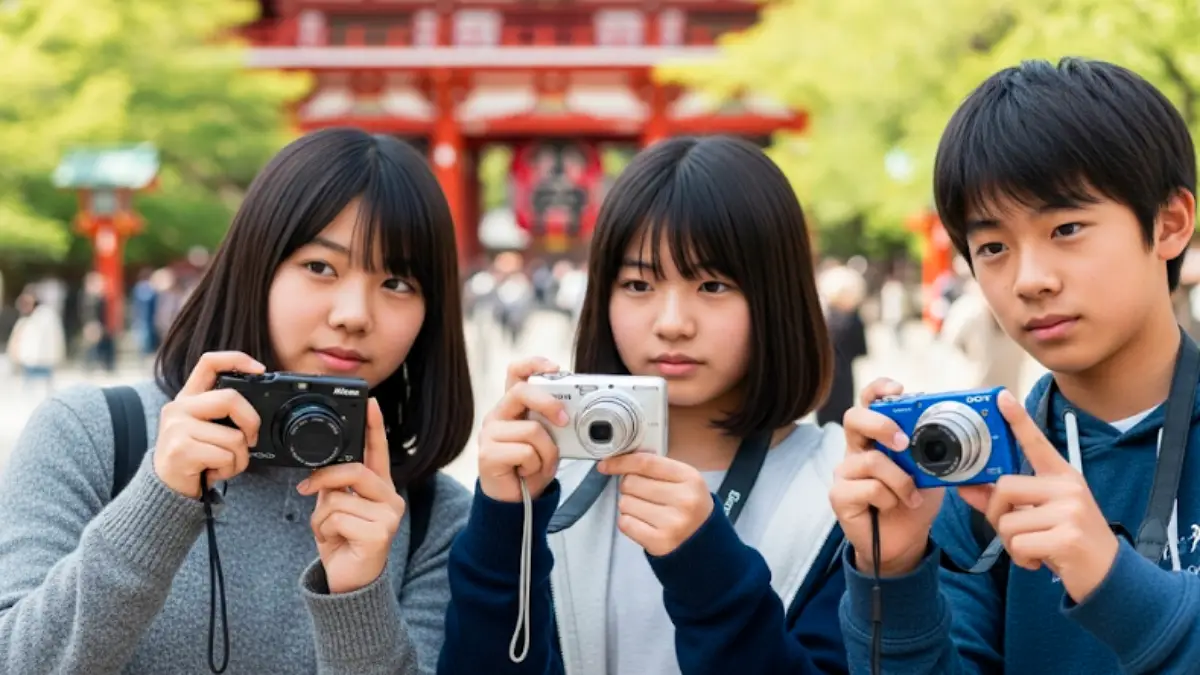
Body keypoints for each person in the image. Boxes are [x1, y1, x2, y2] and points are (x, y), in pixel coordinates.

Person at [0, 128, 475, 674]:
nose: (354, 314)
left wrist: (359, 598)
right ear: (257, 265)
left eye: (397, 283)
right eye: (321, 267)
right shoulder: (90, 435)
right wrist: (156, 504)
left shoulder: (435, 518)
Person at [830, 57, 1200, 673]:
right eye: (994, 247)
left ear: (1169, 224)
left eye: (1067, 228)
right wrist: (891, 573)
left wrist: (1113, 581)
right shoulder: (980, 487)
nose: (1029, 280)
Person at [440, 135, 849, 675]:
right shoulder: (548, 480)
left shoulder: (844, 490)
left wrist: (708, 569)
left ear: (777, 295)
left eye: (712, 284)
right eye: (637, 283)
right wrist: (501, 522)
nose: (672, 322)